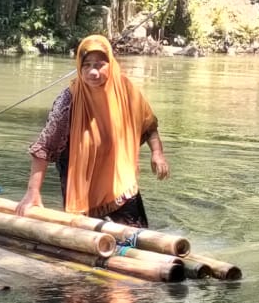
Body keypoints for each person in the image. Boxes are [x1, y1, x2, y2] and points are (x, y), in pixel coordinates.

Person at [15, 34, 169, 227]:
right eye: (86, 65)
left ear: (111, 64)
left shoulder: (125, 90)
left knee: (136, 232)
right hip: (80, 177)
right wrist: (33, 192)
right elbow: (45, 147)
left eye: (99, 65)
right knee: (88, 236)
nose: (92, 72)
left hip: (120, 178)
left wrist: (157, 153)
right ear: (79, 66)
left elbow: (148, 124)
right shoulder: (69, 100)